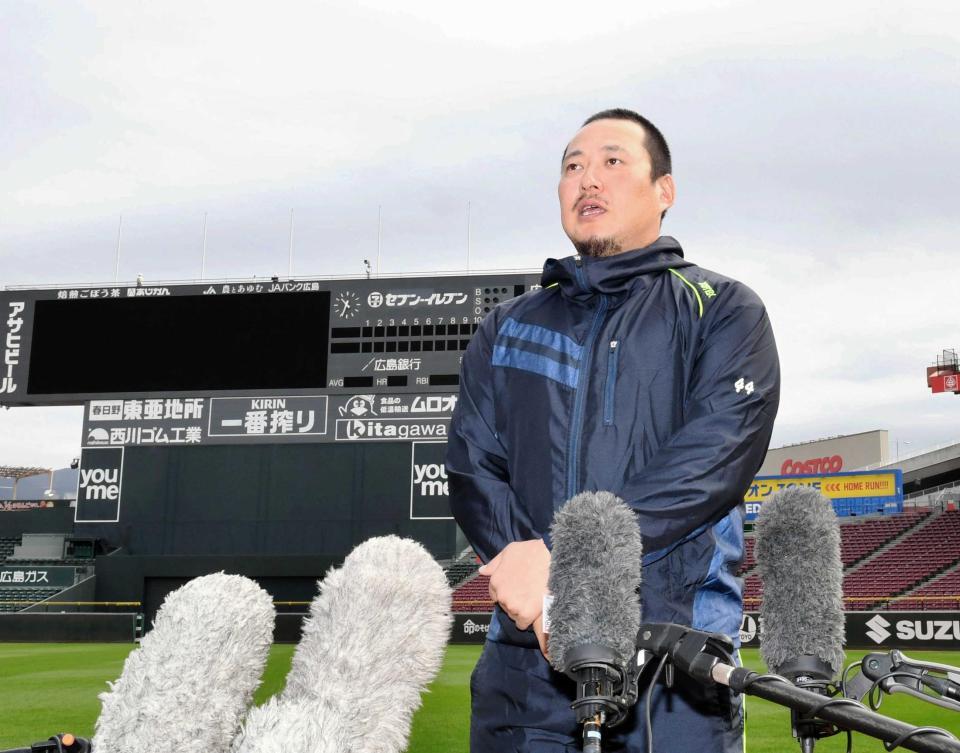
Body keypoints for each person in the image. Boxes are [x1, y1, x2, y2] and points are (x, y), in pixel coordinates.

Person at [445, 108, 781, 752]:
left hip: (675, 656)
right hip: (526, 651)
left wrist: (572, 564)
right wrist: (521, 561)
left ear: (665, 192)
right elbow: (472, 463)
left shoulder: (725, 309)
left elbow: (716, 457)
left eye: (612, 162)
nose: (586, 179)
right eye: (572, 166)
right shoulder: (507, 325)